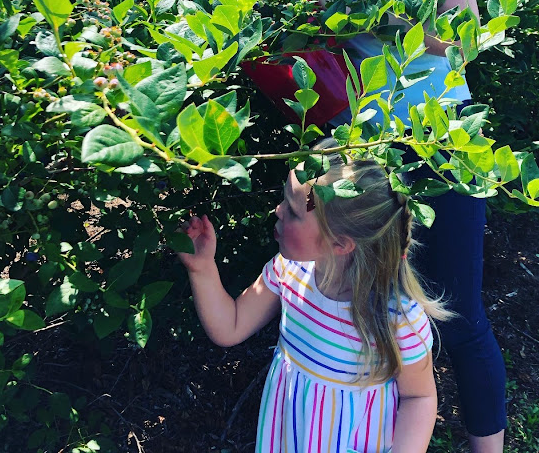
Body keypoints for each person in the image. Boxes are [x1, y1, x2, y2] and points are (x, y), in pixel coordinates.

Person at [88, 0, 508, 448]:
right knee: (348, 304)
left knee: (459, 314)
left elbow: (464, 32)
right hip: (344, 154)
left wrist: (359, 4)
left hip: (434, 143)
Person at [178, 144, 452, 453]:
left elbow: (419, 397)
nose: (278, 210)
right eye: (285, 199)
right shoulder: (288, 271)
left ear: (340, 243)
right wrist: (202, 268)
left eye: (293, 211)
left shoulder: (395, 317)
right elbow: (230, 326)